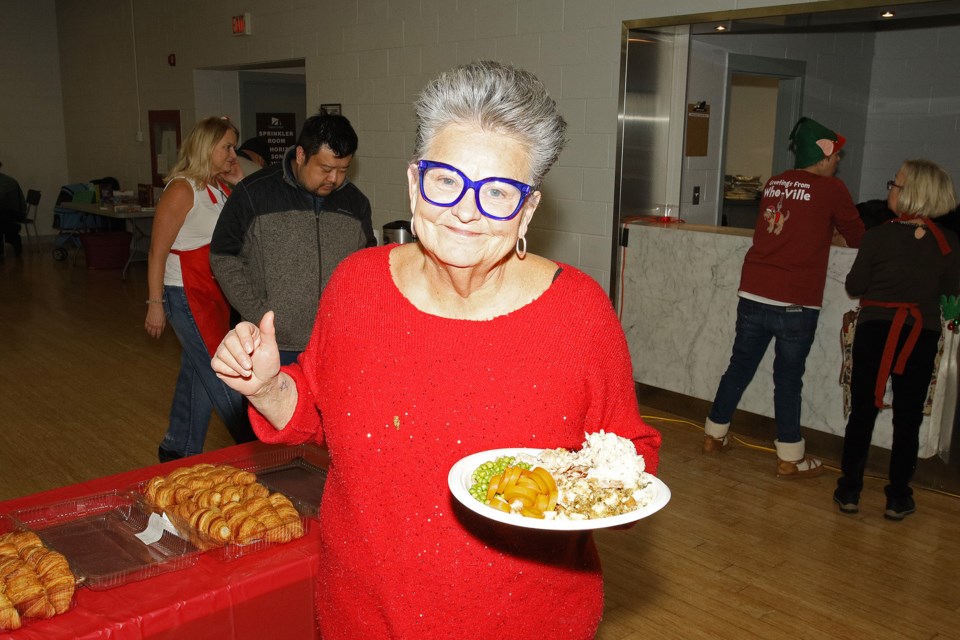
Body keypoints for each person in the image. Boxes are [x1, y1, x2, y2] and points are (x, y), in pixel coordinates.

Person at [211, 60, 662, 639]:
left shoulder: (578, 313)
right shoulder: (358, 286)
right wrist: (269, 386)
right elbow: (318, 417)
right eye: (447, 180)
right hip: (364, 614)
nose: (466, 209)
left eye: (499, 191)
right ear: (413, 183)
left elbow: (632, 458)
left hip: (527, 620)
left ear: (527, 210)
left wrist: (598, 488)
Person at [703, 116, 865, 477]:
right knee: (789, 378)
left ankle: (714, 434)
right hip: (796, 302)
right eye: (836, 156)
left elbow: (784, 229)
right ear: (822, 157)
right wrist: (832, 236)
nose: (838, 162)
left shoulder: (775, 183)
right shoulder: (832, 190)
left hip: (754, 291)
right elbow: (858, 236)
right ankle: (790, 457)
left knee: (739, 366)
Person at [835, 159, 960, 519]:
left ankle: (849, 491)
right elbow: (951, 294)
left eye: (896, 184)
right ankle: (898, 496)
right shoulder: (948, 241)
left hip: (876, 330)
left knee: (863, 411)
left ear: (913, 194)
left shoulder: (878, 235)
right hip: (922, 334)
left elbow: (854, 286)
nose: (889, 188)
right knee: (908, 417)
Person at [210, 113, 376, 365]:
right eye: (326, 169)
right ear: (301, 155)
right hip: (273, 343)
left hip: (334, 342)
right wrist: (258, 314)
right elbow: (223, 257)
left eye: (343, 170)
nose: (334, 179)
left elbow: (363, 267)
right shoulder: (254, 194)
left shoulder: (356, 204)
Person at [144, 116, 253, 463]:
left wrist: (239, 180)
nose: (233, 153)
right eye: (227, 146)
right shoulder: (182, 189)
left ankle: (177, 448)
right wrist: (155, 303)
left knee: (197, 370)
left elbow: (253, 218)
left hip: (211, 293)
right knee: (221, 371)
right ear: (207, 147)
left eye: (235, 146)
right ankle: (256, 447)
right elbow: (156, 251)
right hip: (183, 293)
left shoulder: (219, 187)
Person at [0, 162, 27, 259]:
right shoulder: (6, 179)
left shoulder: (5, 182)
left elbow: (1, 201)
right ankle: (12, 236)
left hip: (14, 213)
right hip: (13, 211)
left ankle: (11, 237)